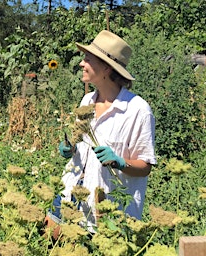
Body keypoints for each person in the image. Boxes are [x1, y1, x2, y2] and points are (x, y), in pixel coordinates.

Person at [45, 30, 157, 235]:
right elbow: (80, 142)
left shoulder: (137, 110)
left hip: (107, 208)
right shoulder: (87, 101)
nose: (81, 63)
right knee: (49, 241)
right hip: (70, 191)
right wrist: (70, 150)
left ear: (106, 68)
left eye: (88, 59)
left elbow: (146, 166)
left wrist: (120, 162)